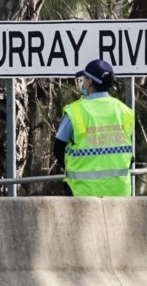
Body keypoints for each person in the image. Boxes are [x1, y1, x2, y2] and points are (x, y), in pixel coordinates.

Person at [53, 58, 134, 196]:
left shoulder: (75, 111)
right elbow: (128, 151)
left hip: (81, 191)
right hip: (119, 192)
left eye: (84, 78)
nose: (82, 82)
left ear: (90, 82)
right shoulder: (125, 111)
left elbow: (58, 149)